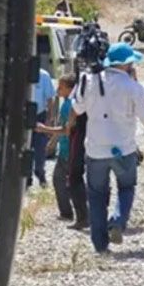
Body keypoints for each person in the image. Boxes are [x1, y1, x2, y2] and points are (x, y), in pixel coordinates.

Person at [73, 43, 144, 253]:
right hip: (123, 149)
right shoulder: (132, 87)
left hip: (95, 149)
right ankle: (117, 221)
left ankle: (100, 245)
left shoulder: (89, 81)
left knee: (97, 195)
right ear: (127, 64)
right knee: (126, 188)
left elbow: (76, 108)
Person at [37, 75, 89, 229]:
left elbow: (66, 130)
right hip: (67, 149)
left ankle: (73, 213)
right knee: (66, 180)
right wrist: (53, 142)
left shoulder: (69, 105)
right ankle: (72, 213)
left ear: (70, 88)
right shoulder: (67, 103)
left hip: (70, 151)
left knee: (67, 181)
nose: (57, 90)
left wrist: (43, 129)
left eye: (61, 87)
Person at [30, 67, 57, 188]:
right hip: (23, 115)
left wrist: (50, 120)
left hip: (40, 116)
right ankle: (26, 179)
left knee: (40, 148)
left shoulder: (44, 75)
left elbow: (50, 99)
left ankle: (40, 173)